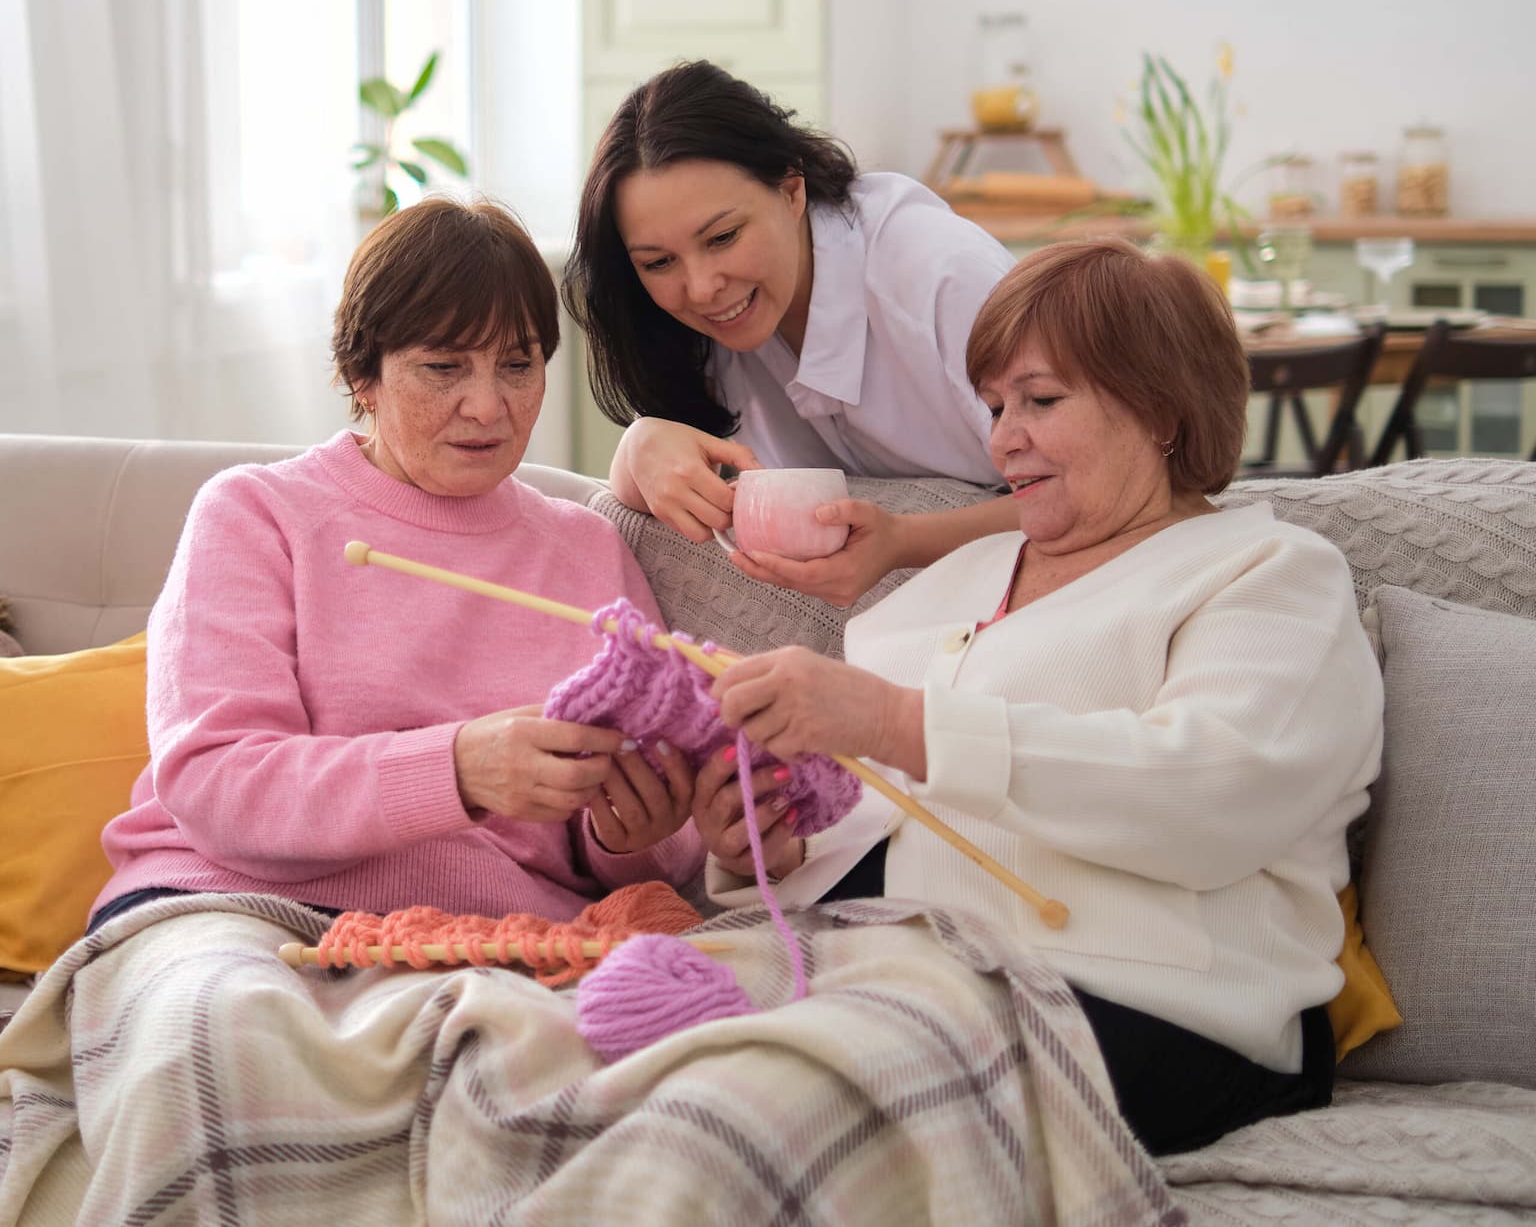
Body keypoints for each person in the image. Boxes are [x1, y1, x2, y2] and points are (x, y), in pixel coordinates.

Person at [693, 239, 1383, 1155]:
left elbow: (1213, 795)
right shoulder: (946, 585)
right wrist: (762, 849)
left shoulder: (1269, 573)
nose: (1002, 437)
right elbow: (865, 824)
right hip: (883, 981)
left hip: (1153, 1004)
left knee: (773, 1117)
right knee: (594, 1055)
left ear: (1161, 410)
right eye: (995, 405)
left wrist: (899, 723)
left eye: (1041, 400)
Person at [89, 198, 704, 934]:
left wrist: (630, 834)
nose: (488, 405)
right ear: (363, 376)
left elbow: (663, 854)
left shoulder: (589, 550)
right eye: (443, 368)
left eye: (518, 365)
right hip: (228, 903)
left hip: (496, 929)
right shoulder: (255, 514)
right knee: (237, 1031)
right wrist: (457, 768)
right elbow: (218, 782)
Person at [564, 60, 1022, 608]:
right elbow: (642, 490)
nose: (703, 288)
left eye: (724, 237)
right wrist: (641, 444)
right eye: (659, 262)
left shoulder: (942, 277)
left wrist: (902, 543)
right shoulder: (693, 331)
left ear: (791, 191)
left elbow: (1110, 490)